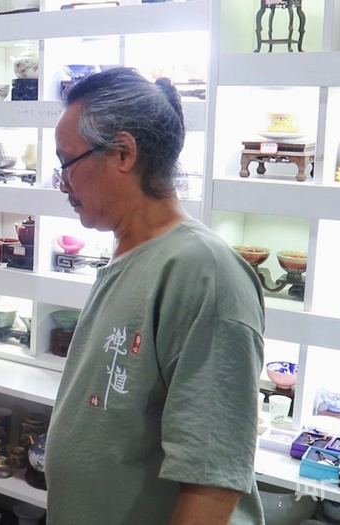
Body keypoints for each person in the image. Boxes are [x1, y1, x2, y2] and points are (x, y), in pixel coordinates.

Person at [44, 67, 265, 524]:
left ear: (123, 153)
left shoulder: (204, 272)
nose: (61, 182)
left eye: (67, 163)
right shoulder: (131, 257)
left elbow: (213, 478)